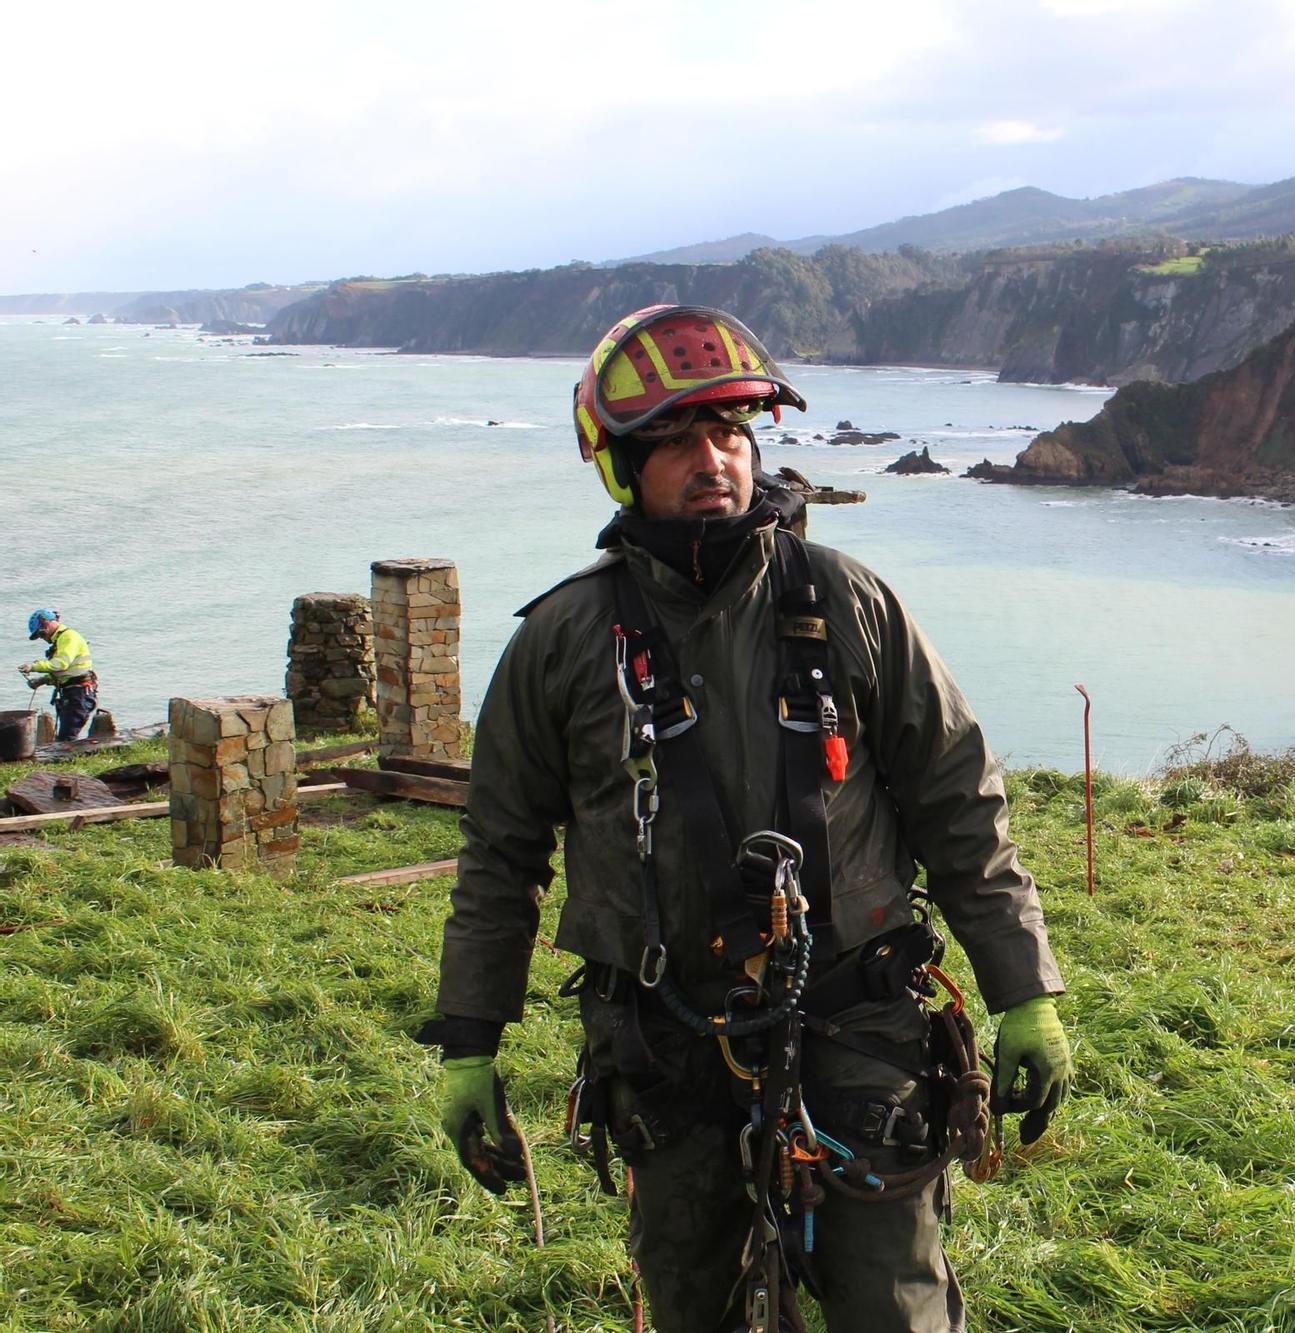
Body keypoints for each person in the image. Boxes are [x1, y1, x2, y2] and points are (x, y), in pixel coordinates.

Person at [422, 305, 1072, 1333]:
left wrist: (1022, 989)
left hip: (858, 1015)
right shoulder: (561, 644)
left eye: (729, 433)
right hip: (662, 1035)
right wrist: (469, 1042)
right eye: (678, 440)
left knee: (889, 1304)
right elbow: (500, 856)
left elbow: (957, 798)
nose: (712, 460)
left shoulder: (846, 601)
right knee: (690, 1300)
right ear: (621, 465)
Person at [19, 609, 96, 742]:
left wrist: (34, 666)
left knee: (67, 737)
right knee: (66, 735)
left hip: (79, 694)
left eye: (41, 634)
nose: (42, 638)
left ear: (46, 624)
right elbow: (66, 672)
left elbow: (61, 664)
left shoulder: (69, 637)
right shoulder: (60, 640)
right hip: (73, 693)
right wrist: (41, 680)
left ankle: (70, 760)